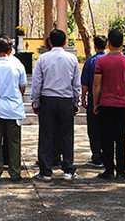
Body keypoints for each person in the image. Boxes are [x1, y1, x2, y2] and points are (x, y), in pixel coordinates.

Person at [30, 28, 81, 182]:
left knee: (46, 135)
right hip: (65, 100)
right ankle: (68, 170)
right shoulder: (72, 59)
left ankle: (46, 171)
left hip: (48, 100)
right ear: (65, 42)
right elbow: (76, 84)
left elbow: (37, 83)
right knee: (67, 135)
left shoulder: (43, 59)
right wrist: (76, 102)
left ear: (50, 42)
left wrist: (35, 101)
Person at [92, 29, 125, 180]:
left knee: (106, 139)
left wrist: (96, 103)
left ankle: (109, 170)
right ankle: (122, 171)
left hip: (106, 104)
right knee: (120, 139)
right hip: (122, 105)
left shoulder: (101, 61)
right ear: (122, 43)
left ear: (109, 43)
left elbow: (97, 85)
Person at [0, 35, 27, 181]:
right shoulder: (18, 65)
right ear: (11, 49)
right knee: (14, 142)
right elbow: (22, 87)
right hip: (13, 108)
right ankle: (15, 173)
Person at [80, 34, 107, 168]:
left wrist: (83, 97)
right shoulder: (111, 60)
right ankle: (107, 155)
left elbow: (85, 83)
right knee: (107, 130)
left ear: (95, 46)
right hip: (109, 101)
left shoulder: (90, 62)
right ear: (106, 45)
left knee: (94, 130)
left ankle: (97, 156)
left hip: (93, 100)